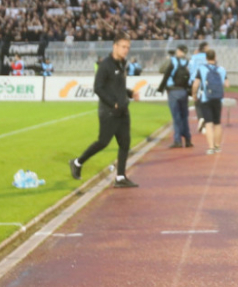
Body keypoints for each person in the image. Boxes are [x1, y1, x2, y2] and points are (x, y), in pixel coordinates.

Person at [69, 33, 140, 188]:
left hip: (123, 111)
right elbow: (98, 88)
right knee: (103, 142)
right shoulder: (105, 65)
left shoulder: (122, 64)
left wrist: (130, 93)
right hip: (109, 112)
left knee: (125, 144)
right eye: (123, 47)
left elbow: (117, 87)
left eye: (128, 47)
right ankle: (77, 162)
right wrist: (113, 104)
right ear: (115, 46)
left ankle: (120, 177)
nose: (126, 50)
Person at [191, 49, 229, 154]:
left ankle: (211, 147)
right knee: (217, 123)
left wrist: (194, 94)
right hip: (217, 98)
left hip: (206, 98)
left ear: (206, 58)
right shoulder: (221, 69)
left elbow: (195, 84)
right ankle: (217, 146)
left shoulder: (201, 69)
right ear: (215, 57)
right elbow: (227, 84)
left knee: (208, 123)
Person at [156, 45, 193, 149]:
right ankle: (188, 140)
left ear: (179, 51)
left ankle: (177, 140)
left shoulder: (172, 61)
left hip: (173, 91)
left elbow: (162, 70)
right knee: (184, 116)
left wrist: (161, 89)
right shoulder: (189, 62)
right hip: (184, 91)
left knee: (176, 117)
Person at [188, 42, 209, 133]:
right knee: (206, 101)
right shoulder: (207, 57)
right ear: (204, 48)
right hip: (205, 80)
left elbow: (189, 68)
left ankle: (201, 118)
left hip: (194, 80)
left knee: (197, 100)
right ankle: (204, 120)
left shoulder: (194, 57)